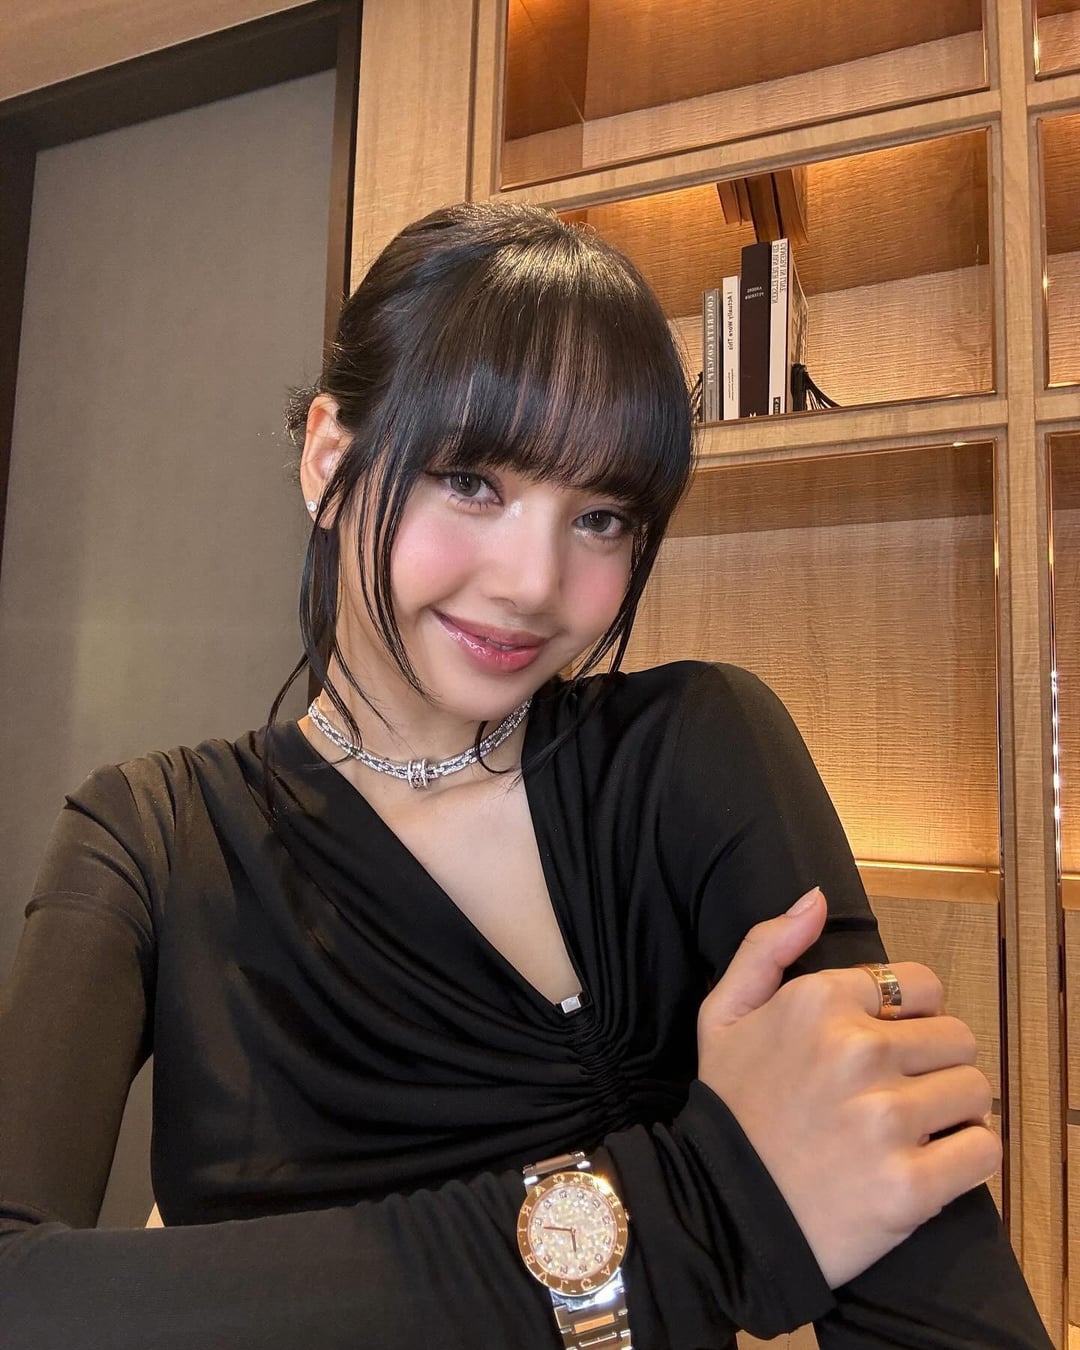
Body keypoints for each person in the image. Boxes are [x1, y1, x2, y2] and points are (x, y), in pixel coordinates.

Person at [0, 201, 1051, 1349]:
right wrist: (696, 1208)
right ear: (330, 458)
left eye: (600, 516)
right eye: (471, 480)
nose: (535, 584)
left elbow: (947, 1311)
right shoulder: (148, 837)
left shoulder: (695, 751)